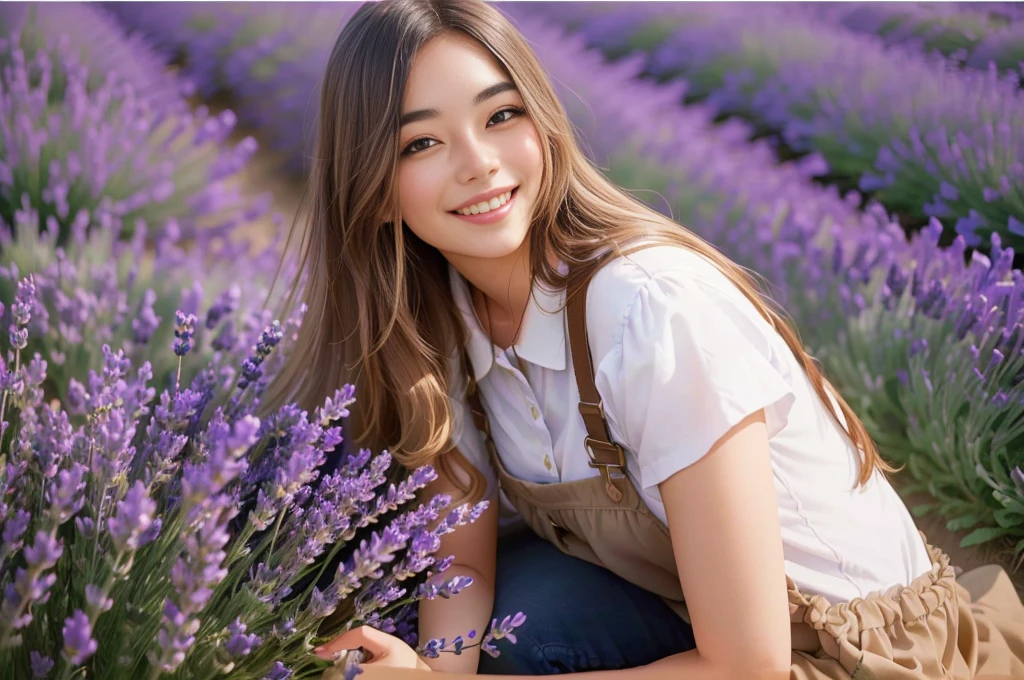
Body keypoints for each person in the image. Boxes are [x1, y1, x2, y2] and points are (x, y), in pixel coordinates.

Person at [260, 0, 1024, 678]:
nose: (479, 163)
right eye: (419, 145)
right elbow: (463, 564)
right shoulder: (441, 325)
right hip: (700, 608)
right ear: (375, 193)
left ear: (544, 123)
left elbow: (749, 664)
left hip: (853, 652)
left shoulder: (647, 311)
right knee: (519, 625)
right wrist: (436, 671)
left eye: (501, 116)